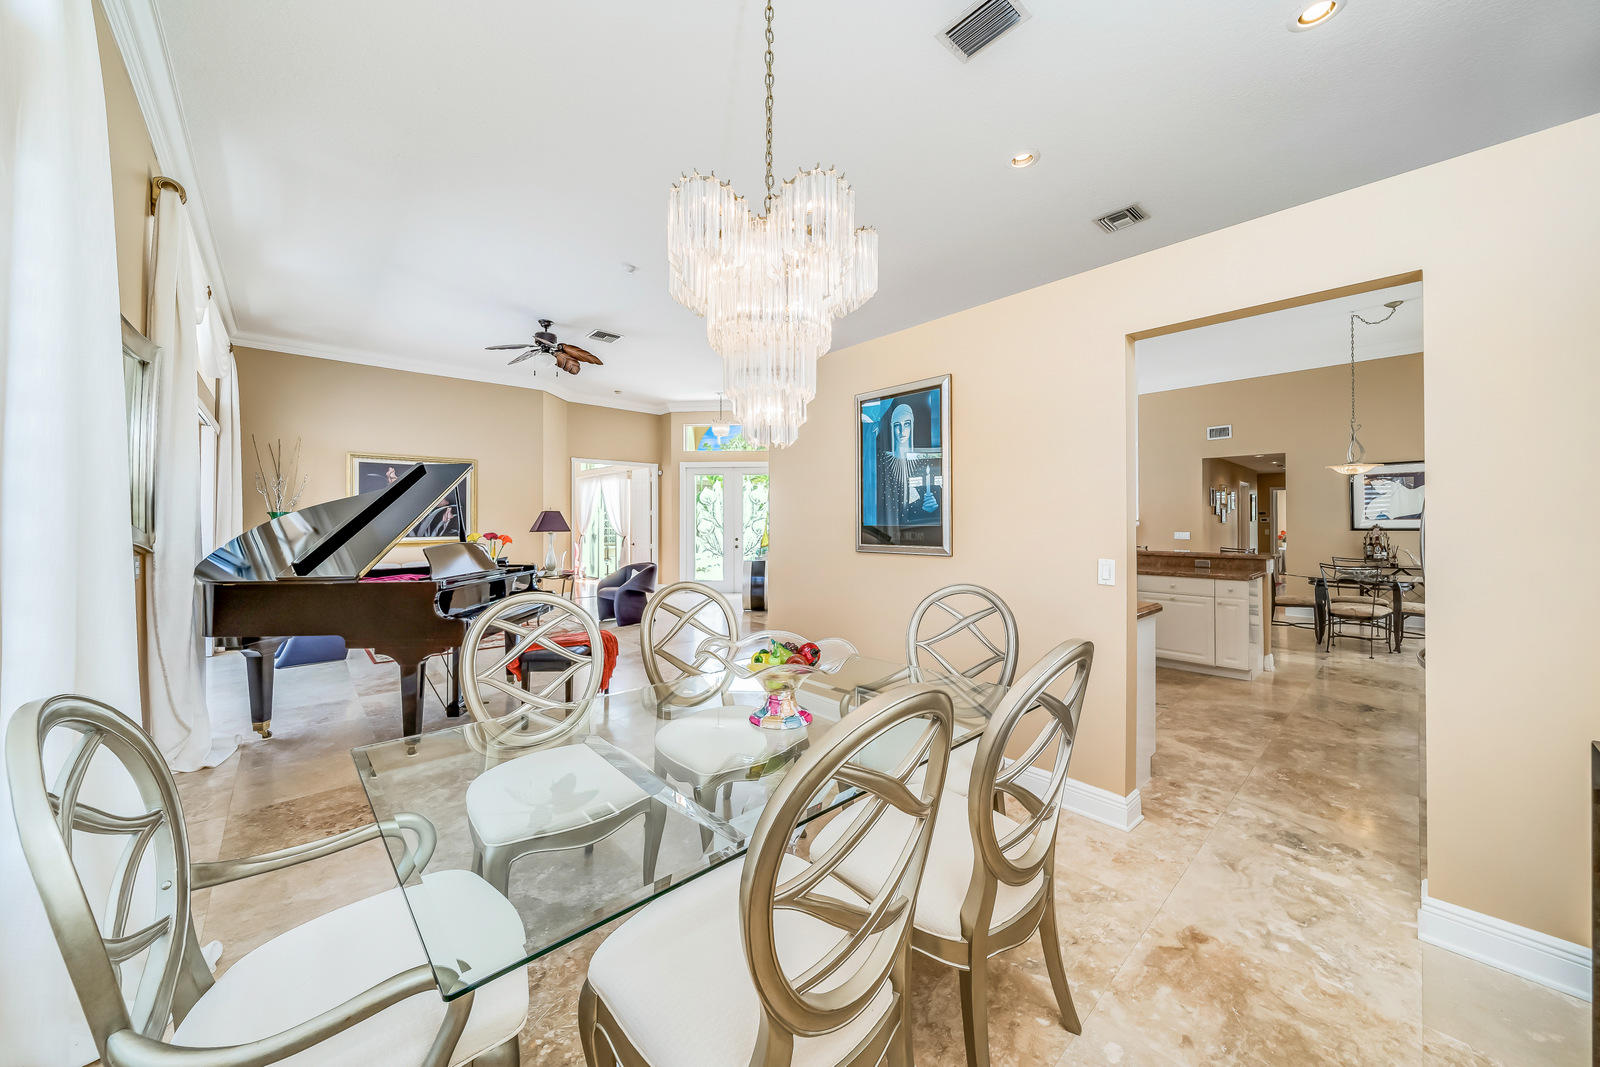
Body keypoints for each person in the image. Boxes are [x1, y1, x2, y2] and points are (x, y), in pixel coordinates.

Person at [875, 402, 939, 527]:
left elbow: (933, 500)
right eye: (897, 425)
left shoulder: (922, 460)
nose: (902, 431)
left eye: (907, 424)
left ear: (912, 426)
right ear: (892, 427)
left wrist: (931, 507)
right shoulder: (882, 460)